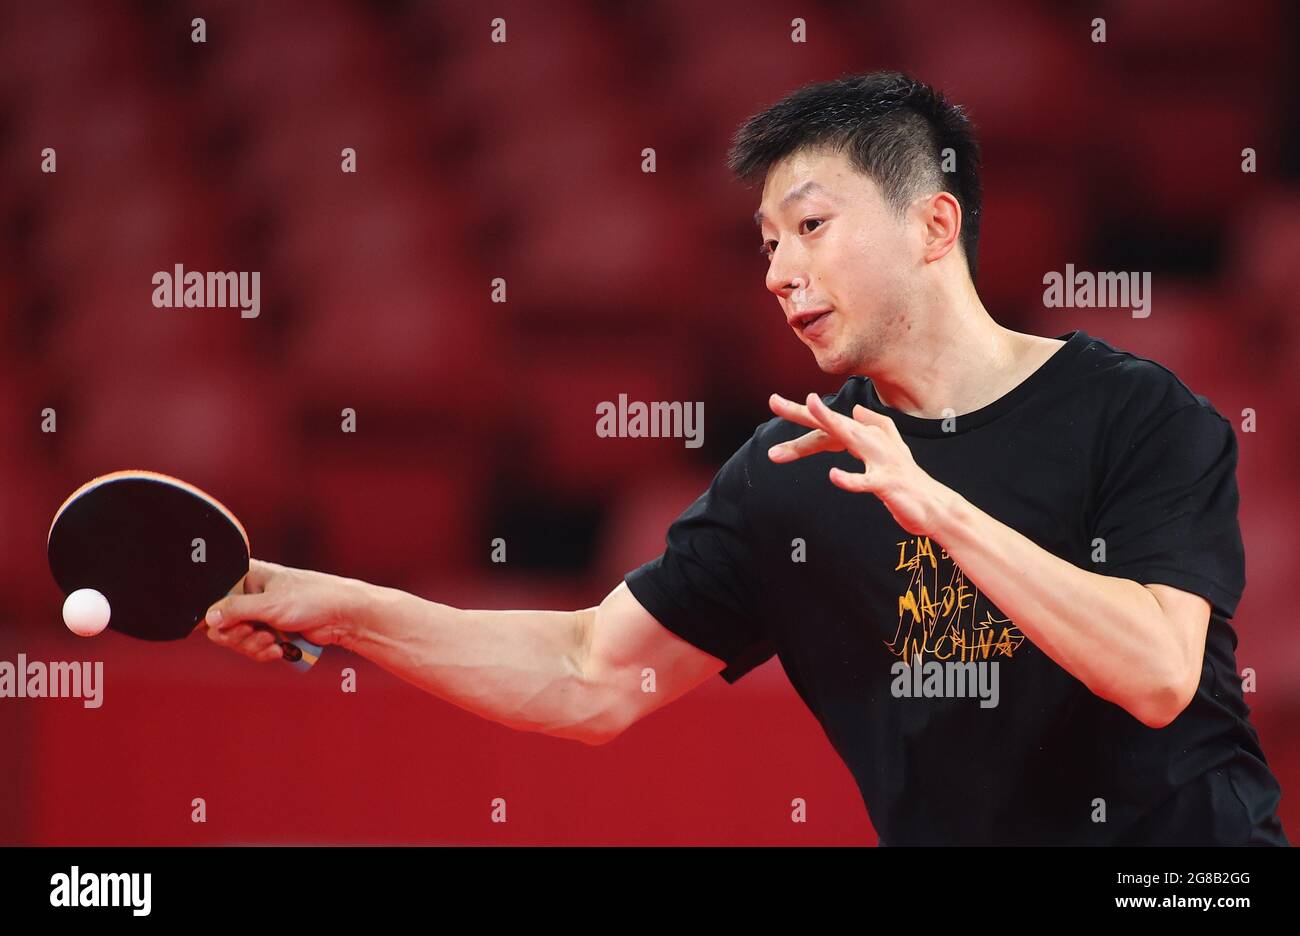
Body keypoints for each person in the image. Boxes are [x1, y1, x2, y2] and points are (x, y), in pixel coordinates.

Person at [205, 72, 1288, 846]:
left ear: (933, 224)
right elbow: (588, 674)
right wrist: (342, 609)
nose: (777, 270)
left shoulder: (1136, 414)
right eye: (766, 242)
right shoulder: (789, 472)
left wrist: (938, 506)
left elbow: (1155, 674)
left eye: (810, 226)